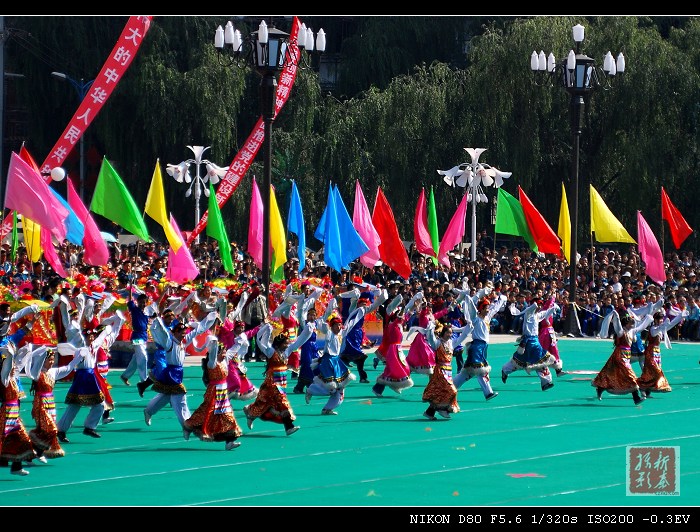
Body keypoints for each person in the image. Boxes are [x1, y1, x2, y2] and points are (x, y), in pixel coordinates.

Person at [143, 311, 217, 432]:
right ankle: (187, 425)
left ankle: (148, 411)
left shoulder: (184, 341)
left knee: (165, 396)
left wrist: (209, 319)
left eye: (184, 334)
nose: (184, 336)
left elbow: (196, 331)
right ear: (175, 333)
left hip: (178, 373)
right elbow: (162, 332)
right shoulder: (169, 342)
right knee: (180, 399)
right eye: (181, 334)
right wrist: (157, 320)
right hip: (171, 374)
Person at [56, 318, 122, 442]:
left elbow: (101, 337)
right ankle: (61, 430)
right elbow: (75, 334)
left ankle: (89, 427)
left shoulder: (94, 346)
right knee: (75, 405)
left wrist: (108, 329)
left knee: (100, 404)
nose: (91, 338)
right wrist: (74, 326)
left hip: (91, 377)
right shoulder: (80, 346)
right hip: (82, 377)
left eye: (92, 336)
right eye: (89, 336)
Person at [183, 329, 243, 451]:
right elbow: (214, 352)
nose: (225, 354)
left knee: (228, 415)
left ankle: (230, 441)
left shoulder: (224, 361)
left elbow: (233, 350)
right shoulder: (212, 364)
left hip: (223, 394)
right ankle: (188, 426)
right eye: (223, 352)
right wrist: (214, 342)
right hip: (214, 392)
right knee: (205, 413)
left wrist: (239, 342)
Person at [243, 323, 303, 435]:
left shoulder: (285, 353)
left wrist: (307, 332)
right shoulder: (271, 352)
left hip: (282, 384)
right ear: (279, 344)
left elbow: (298, 343)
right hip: (272, 383)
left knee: (265, 405)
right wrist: (267, 329)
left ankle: (250, 413)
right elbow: (261, 342)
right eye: (285, 343)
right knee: (282, 402)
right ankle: (289, 427)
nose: (287, 345)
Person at [28, 346, 82, 461]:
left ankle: (30, 452)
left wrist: (78, 357)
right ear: (43, 360)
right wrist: (42, 352)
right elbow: (36, 366)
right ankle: (38, 452)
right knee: (51, 429)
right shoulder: (37, 373)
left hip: (51, 404)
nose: (52, 362)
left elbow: (68, 368)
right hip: (40, 404)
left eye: (53, 359)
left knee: (44, 431)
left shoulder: (53, 372)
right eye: (49, 359)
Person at [593, 309, 653, 405]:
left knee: (612, 375)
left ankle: (600, 388)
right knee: (630, 375)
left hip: (626, 356)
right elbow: (617, 325)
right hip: (619, 356)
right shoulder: (621, 332)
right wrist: (616, 316)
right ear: (626, 324)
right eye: (631, 323)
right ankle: (636, 398)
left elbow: (641, 327)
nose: (633, 324)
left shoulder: (632, 331)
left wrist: (648, 318)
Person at [453, 293, 507, 401]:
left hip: (482, 348)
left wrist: (501, 300)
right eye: (486, 308)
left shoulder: (487, 318)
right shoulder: (476, 319)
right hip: (477, 348)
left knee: (468, 372)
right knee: (481, 370)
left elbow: (495, 309)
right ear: (481, 309)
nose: (488, 310)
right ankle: (488, 393)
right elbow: (472, 310)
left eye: (488, 308)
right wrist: (469, 299)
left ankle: (451, 387)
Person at [414, 319, 470, 420]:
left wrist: (469, 328)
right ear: (443, 333)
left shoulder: (451, 344)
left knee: (439, 393)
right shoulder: (438, 343)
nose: (450, 335)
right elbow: (430, 337)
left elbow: (462, 337)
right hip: (440, 371)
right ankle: (443, 409)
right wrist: (430, 327)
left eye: (451, 333)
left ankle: (429, 412)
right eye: (448, 332)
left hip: (448, 371)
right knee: (452, 391)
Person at [501, 294, 558, 391]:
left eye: (541, 305)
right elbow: (532, 307)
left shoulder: (536, 315)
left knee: (522, 361)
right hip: (529, 341)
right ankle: (546, 382)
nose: (539, 307)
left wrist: (553, 307)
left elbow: (545, 312)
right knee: (540, 360)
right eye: (538, 305)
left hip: (534, 341)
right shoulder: (528, 313)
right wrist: (535, 304)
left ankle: (506, 370)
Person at [0, 342, 36, 475]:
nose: (15, 367)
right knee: (3, 440)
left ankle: (16, 466)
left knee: (22, 438)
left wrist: (26, 350)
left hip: (14, 416)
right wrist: (8, 354)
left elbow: (19, 361)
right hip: (7, 414)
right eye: (12, 366)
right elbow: (8, 364)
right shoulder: (5, 379)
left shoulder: (13, 379)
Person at [339, 287, 387, 383]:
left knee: (358, 358)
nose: (364, 306)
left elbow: (373, 306)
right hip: (350, 336)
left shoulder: (363, 312)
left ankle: (361, 376)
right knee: (360, 356)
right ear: (358, 304)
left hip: (356, 336)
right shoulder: (353, 310)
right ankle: (345, 363)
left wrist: (382, 297)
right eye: (362, 304)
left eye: (365, 304)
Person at [637, 308, 685, 398]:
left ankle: (645, 388)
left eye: (661, 319)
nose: (661, 321)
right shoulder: (653, 328)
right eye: (659, 319)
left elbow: (670, 325)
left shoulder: (661, 327)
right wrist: (663, 326)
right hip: (650, 352)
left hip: (657, 352)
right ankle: (651, 386)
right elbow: (655, 333)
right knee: (656, 370)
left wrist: (680, 316)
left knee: (650, 372)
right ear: (655, 320)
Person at [371, 307, 414, 398]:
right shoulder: (393, 324)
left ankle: (393, 385)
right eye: (401, 316)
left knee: (393, 370)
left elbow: (406, 316)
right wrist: (402, 308)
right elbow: (400, 317)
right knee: (398, 368)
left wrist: (413, 306)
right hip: (394, 351)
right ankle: (379, 388)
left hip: (397, 349)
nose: (403, 318)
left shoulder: (398, 324)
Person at [120, 291, 153, 387]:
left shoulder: (147, 312)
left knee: (135, 360)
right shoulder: (134, 309)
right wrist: (130, 286)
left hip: (144, 337)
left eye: (144, 302)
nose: (143, 304)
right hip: (136, 337)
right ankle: (144, 380)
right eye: (141, 302)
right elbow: (130, 300)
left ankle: (125, 376)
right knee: (143, 357)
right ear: (137, 302)